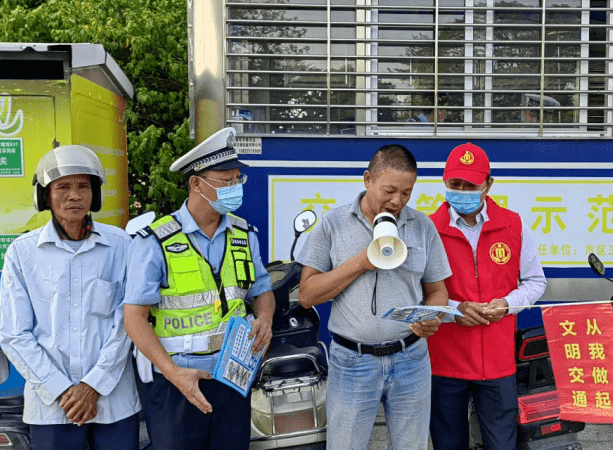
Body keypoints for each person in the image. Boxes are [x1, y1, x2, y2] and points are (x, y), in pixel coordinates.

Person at [123, 127, 274, 450]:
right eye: (226, 181)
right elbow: (134, 319)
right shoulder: (157, 242)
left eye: (238, 180)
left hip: (232, 376)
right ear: (196, 183)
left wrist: (265, 318)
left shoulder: (244, 235)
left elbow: (262, 290)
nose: (235, 187)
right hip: (176, 379)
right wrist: (174, 373)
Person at [297, 144, 452, 450]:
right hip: (352, 361)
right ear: (367, 179)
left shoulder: (422, 226)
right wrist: (361, 262)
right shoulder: (332, 224)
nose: (397, 201)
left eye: (406, 193)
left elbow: (438, 291)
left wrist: (431, 316)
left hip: (411, 359)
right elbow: (306, 294)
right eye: (390, 190)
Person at [0, 145, 141, 450]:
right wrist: (62, 390)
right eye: (62, 187)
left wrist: (92, 386)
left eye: (83, 187)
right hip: (52, 408)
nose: (74, 196)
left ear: (95, 195)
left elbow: (128, 323)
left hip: (114, 402)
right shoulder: (22, 253)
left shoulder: (122, 246)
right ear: (45, 195)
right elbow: (14, 334)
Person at [428, 142, 547, 450]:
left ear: (489, 184)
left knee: (501, 443)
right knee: (448, 443)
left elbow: (535, 282)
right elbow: (416, 289)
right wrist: (455, 309)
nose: (463, 191)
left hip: (497, 361)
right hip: (445, 359)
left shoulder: (514, 225)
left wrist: (507, 304)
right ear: (444, 182)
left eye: (472, 184)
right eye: (455, 184)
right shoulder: (428, 229)